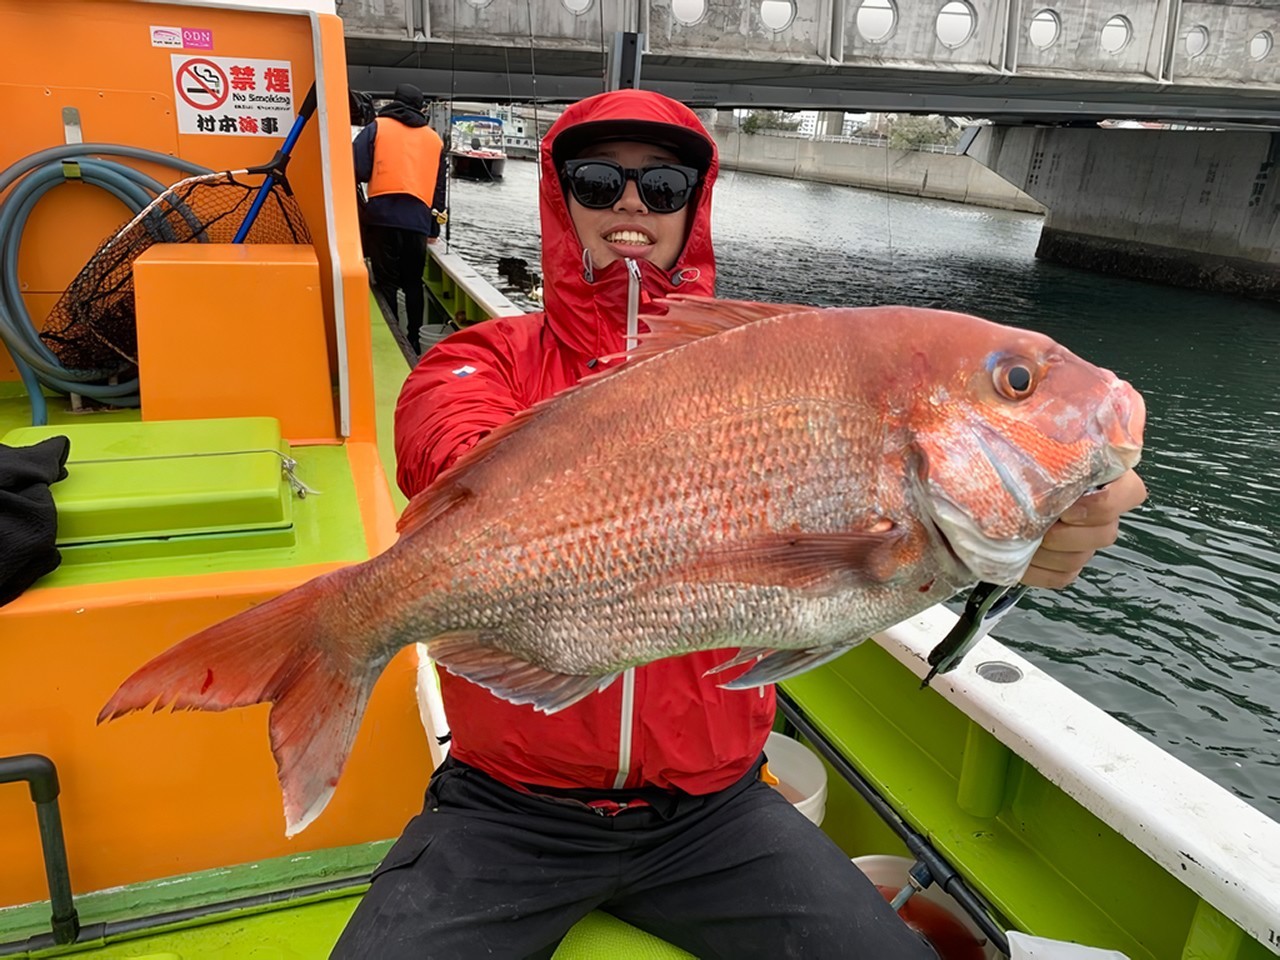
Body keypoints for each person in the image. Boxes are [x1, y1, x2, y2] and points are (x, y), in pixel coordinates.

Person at [332, 89, 1148, 959]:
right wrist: (603, 503)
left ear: (698, 199)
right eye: (599, 180)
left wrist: (1037, 537)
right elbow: (442, 456)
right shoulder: (481, 357)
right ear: (560, 197)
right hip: (506, 806)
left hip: (715, 812)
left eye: (666, 183)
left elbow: (909, 548)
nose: (633, 205)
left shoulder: (766, 363)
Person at [353, 82, 447, 356]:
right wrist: (434, 227)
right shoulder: (433, 139)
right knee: (413, 282)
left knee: (386, 284)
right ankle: (415, 341)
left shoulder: (377, 128)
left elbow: (357, 167)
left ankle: (394, 340)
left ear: (395, 101)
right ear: (421, 108)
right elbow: (438, 190)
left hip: (381, 216)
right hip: (417, 220)